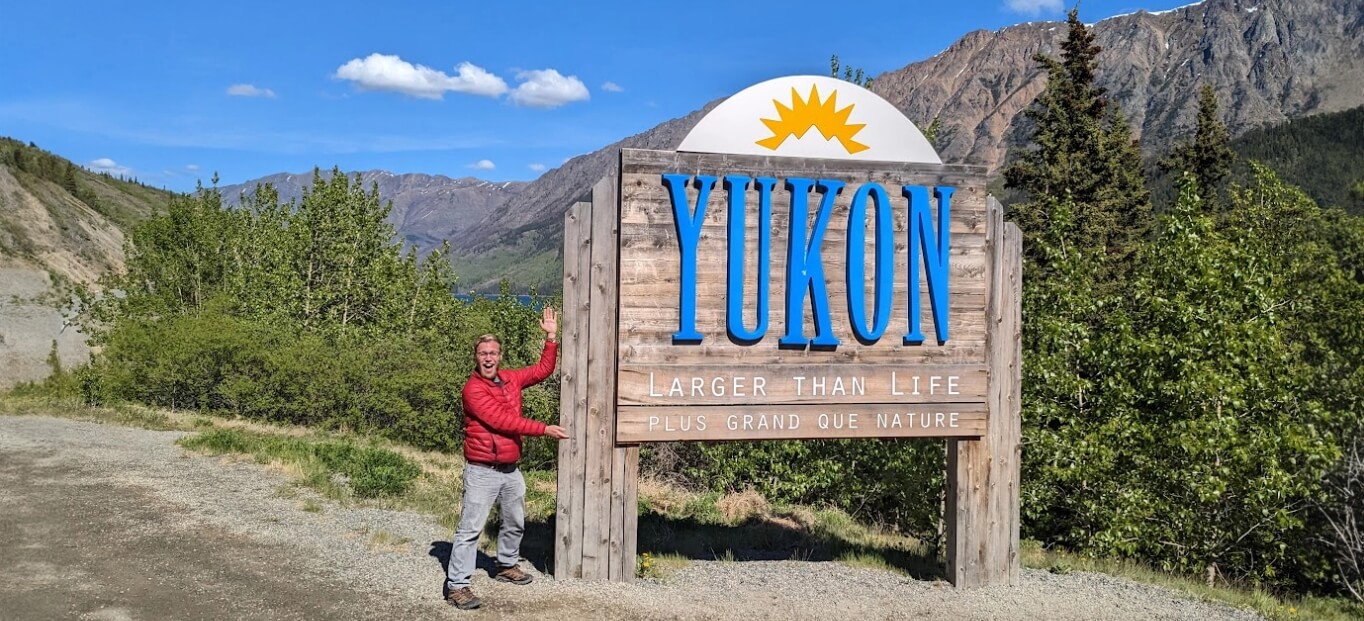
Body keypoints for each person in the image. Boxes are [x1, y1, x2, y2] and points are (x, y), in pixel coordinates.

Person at [446, 306, 568, 610]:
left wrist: (551, 337)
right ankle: (457, 586)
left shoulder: (511, 379)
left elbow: (543, 370)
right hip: (482, 470)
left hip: (510, 469)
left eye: (493, 353)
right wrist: (544, 429)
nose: (488, 357)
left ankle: (505, 566)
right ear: (476, 357)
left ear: (499, 356)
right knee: (471, 528)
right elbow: (502, 421)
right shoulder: (472, 390)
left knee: (514, 522)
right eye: (483, 353)